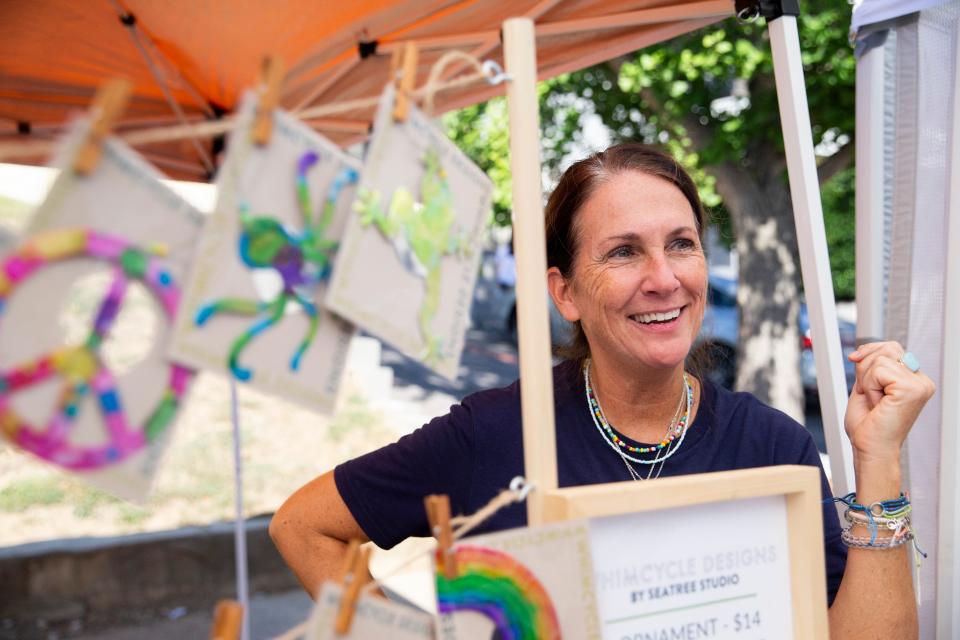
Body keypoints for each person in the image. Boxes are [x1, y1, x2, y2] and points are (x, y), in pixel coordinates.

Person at [271, 144, 934, 638]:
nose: (664, 277)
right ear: (565, 292)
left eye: (681, 244)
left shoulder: (770, 444)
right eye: (622, 252)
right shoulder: (495, 434)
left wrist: (879, 458)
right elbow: (303, 528)